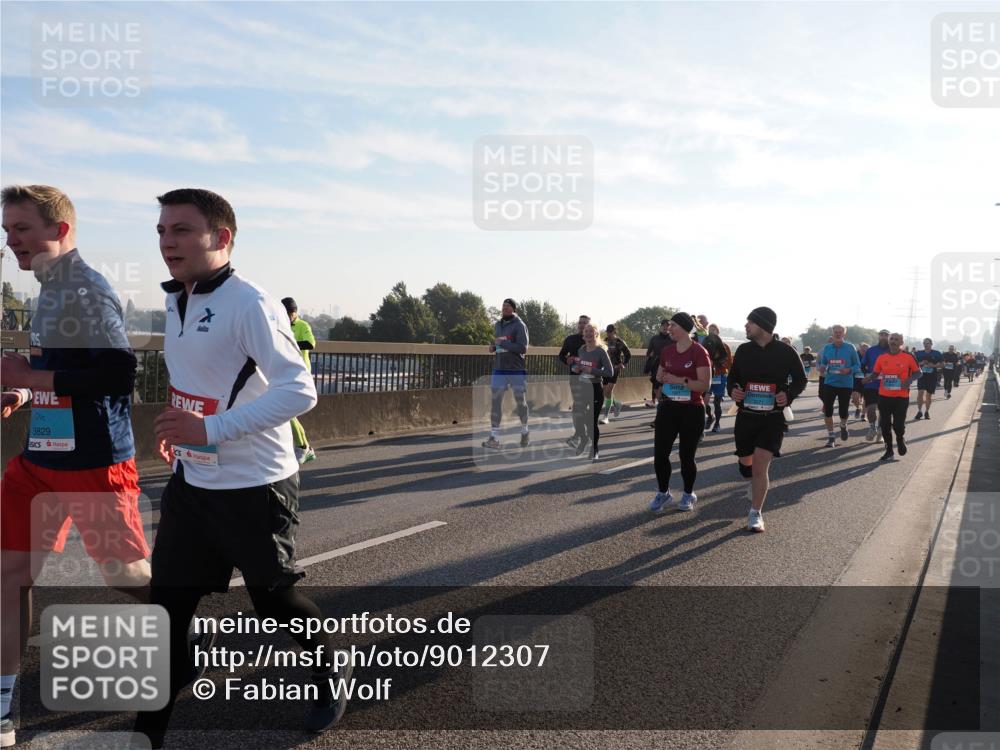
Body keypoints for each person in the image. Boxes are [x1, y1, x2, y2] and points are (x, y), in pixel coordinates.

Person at [133, 189, 350, 748]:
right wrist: (178, 426)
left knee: (275, 605)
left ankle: (331, 665)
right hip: (193, 481)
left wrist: (209, 430)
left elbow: (300, 391)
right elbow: (206, 384)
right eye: (161, 231)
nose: (166, 242)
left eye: (181, 230)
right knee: (167, 606)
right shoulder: (177, 300)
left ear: (221, 238)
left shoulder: (250, 302)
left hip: (255, 487)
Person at [0, 186, 154, 750]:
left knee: (124, 576)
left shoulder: (88, 290)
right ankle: (3, 709)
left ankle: (179, 617)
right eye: (6, 229)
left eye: (20, 228)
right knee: (9, 576)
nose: (9, 239)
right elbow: (62, 367)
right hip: (38, 463)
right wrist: (22, 388)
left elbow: (116, 376)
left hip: (93, 461)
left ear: (60, 230)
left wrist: (30, 375)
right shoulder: (48, 289)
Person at [727, 307, 807, 533]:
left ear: (762, 325)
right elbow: (732, 378)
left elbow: (800, 380)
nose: (745, 326)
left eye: (749, 323)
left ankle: (755, 513)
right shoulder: (743, 350)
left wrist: (788, 395)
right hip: (746, 417)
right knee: (747, 466)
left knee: (761, 464)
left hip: (772, 418)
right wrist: (733, 390)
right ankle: (749, 475)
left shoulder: (786, 351)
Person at [648, 313, 712, 513]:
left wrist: (679, 380)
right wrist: (660, 376)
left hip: (691, 409)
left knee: (686, 456)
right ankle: (663, 492)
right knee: (660, 454)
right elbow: (660, 374)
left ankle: (688, 493)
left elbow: (704, 385)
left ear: (685, 328)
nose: (669, 328)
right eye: (669, 325)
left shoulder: (699, 352)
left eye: (673, 325)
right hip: (668, 407)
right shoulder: (667, 351)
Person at [482, 298, 530, 449]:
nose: (504, 308)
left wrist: (502, 344)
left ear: (514, 310)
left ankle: (524, 430)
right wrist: (493, 347)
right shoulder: (498, 324)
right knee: (495, 402)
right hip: (499, 368)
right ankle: (494, 437)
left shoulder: (520, 325)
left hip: (515, 369)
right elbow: (498, 343)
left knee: (520, 402)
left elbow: (523, 348)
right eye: (503, 306)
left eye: (508, 306)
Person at [865, 332, 920, 462]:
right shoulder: (882, 357)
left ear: (901, 343)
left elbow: (919, 373)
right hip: (884, 396)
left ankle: (900, 440)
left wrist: (909, 380)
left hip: (901, 397)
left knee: (898, 425)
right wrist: (868, 378)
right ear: (889, 342)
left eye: (896, 339)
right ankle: (889, 450)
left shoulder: (908, 357)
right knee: (884, 424)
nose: (893, 341)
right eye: (892, 339)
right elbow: (876, 373)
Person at [567, 324, 614, 460]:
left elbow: (609, 372)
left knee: (591, 421)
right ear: (583, 334)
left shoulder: (601, 351)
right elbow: (580, 365)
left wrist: (592, 371)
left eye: (591, 332)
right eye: (586, 331)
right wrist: (577, 368)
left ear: (596, 334)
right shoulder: (581, 350)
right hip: (582, 387)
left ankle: (594, 449)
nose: (588, 334)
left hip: (595, 388)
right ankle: (583, 439)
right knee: (577, 416)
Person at [281, 297, 317, 462]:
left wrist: (291, 343)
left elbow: (311, 344)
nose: (289, 316)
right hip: (285, 371)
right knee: (289, 413)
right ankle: (306, 448)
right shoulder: (281, 325)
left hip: (301, 373)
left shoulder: (303, 326)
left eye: (291, 313)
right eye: (286, 313)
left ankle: (303, 448)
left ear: (295, 313)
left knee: (287, 412)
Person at [817, 325, 861, 447]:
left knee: (843, 410)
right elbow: (824, 362)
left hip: (845, 384)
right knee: (828, 409)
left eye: (840, 332)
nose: (837, 334)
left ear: (844, 334)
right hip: (830, 382)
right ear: (833, 333)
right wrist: (822, 366)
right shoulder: (827, 348)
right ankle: (831, 436)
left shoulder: (850, 348)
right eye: (836, 332)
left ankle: (843, 425)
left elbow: (857, 365)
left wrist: (849, 370)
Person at [558, 315, 589, 447]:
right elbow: (561, 355)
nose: (582, 325)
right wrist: (567, 360)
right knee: (578, 407)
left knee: (584, 407)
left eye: (585, 323)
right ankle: (579, 434)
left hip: (591, 379)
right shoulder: (570, 340)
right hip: (575, 378)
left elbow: (602, 361)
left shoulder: (594, 341)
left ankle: (582, 434)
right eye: (580, 323)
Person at [860, 330, 890, 442]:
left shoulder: (892, 351)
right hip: (871, 384)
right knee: (871, 409)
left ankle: (880, 430)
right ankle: (872, 427)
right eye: (881, 335)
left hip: (887, 385)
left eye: (886, 335)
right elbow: (862, 365)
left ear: (889, 337)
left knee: (883, 410)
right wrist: (863, 376)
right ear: (878, 337)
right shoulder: (871, 350)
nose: (883, 337)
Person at [703, 325, 733, 433]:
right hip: (707, 376)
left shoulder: (725, 346)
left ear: (718, 332)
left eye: (713, 330)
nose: (711, 332)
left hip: (720, 376)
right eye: (709, 330)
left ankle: (717, 423)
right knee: (704, 401)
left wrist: (719, 363)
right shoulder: (704, 345)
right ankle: (710, 416)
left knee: (717, 402)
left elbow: (729, 362)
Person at [601, 324, 631, 424]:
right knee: (605, 392)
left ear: (614, 332)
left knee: (608, 391)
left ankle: (606, 416)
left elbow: (628, 354)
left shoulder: (619, 342)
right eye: (607, 331)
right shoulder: (604, 341)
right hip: (605, 369)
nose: (608, 333)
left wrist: (623, 364)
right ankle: (617, 404)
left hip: (615, 368)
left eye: (610, 331)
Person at [644, 320, 672, 413]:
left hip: (669, 366)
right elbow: (648, 353)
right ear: (660, 327)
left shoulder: (673, 339)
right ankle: (655, 401)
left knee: (664, 386)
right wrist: (651, 356)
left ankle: (664, 405)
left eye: (667, 325)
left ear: (669, 327)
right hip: (656, 365)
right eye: (663, 325)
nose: (665, 327)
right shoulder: (654, 338)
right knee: (656, 384)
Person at [913, 338, 943, 420]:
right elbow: (913, 364)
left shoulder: (937, 353)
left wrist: (933, 366)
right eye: (924, 343)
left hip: (932, 376)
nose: (926, 345)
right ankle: (919, 411)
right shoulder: (919, 353)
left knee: (928, 395)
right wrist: (921, 363)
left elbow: (942, 364)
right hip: (921, 376)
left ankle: (926, 411)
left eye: (927, 343)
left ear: (931, 344)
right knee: (920, 392)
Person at [852, 343, 868, 418]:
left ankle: (863, 414)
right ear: (859, 349)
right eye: (862, 349)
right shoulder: (855, 356)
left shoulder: (870, 357)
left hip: (867, 379)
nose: (864, 351)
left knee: (866, 399)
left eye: (866, 350)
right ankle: (858, 408)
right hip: (856, 380)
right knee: (855, 398)